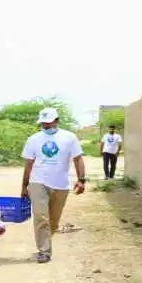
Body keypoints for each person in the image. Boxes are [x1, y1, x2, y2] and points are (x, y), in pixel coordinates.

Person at [20, 107, 87, 264]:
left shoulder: (69, 138)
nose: (46, 126)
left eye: (49, 122)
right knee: (41, 217)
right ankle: (44, 251)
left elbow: (78, 159)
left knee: (54, 221)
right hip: (38, 182)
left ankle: (46, 243)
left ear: (57, 121)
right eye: (44, 123)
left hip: (61, 185)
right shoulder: (33, 139)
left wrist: (81, 179)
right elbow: (29, 164)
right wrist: (24, 186)